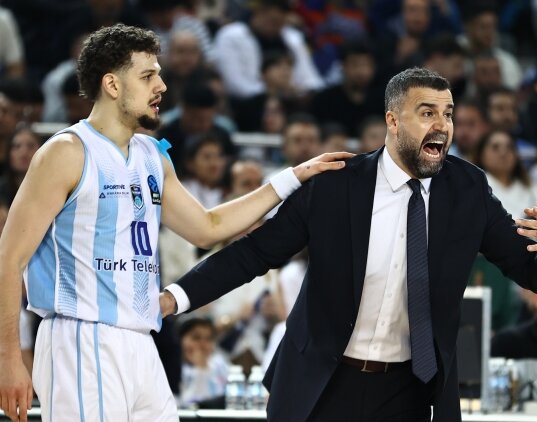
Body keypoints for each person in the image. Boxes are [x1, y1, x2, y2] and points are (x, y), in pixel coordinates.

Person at [160, 67, 537, 421]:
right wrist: (175, 298)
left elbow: (531, 273)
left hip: (409, 391)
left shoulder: (468, 190)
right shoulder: (335, 184)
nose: (442, 125)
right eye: (427, 113)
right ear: (393, 121)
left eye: (447, 114)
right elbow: (254, 254)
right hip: (321, 382)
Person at [0, 24, 350, 422]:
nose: (161, 86)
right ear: (112, 85)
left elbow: (208, 226)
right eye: (148, 75)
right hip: (80, 337)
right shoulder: (66, 152)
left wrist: (291, 178)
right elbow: (8, 259)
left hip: (142, 340)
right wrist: (8, 357)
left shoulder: (153, 155)